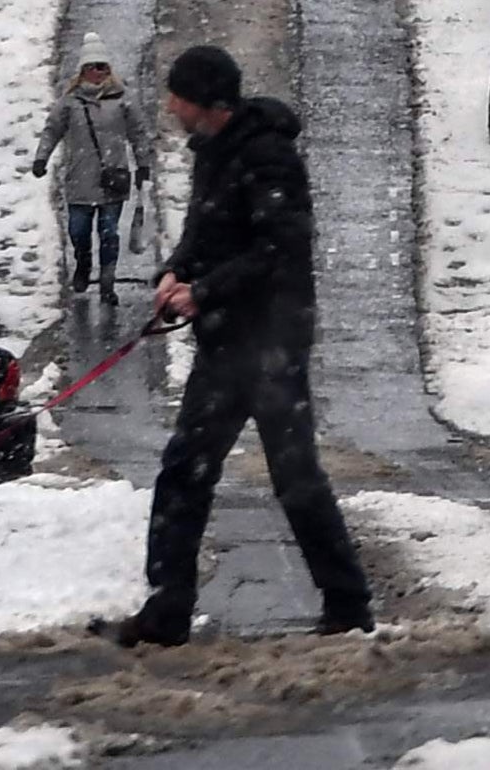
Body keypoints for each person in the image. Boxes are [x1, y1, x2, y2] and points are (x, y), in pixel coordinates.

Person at [101, 44, 374, 648]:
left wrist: (206, 291)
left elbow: (279, 249)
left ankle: (348, 603)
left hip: (270, 343)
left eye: (177, 95)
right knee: (186, 471)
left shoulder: (267, 157)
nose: (170, 106)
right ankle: (167, 609)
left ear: (208, 103)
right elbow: (206, 232)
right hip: (228, 343)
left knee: (293, 476)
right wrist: (176, 272)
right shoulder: (213, 154)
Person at [31, 35, 149, 302]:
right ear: (83, 70)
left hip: (112, 179)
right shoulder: (70, 102)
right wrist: (41, 158)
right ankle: (83, 262)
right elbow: (52, 131)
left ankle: (107, 282)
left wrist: (143, 164)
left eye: (102, 66)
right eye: (93, 67)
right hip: (79, 180)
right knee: (79, 231)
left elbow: (138, 133)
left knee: (109, 232)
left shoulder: (123, 100)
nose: (98, 72)